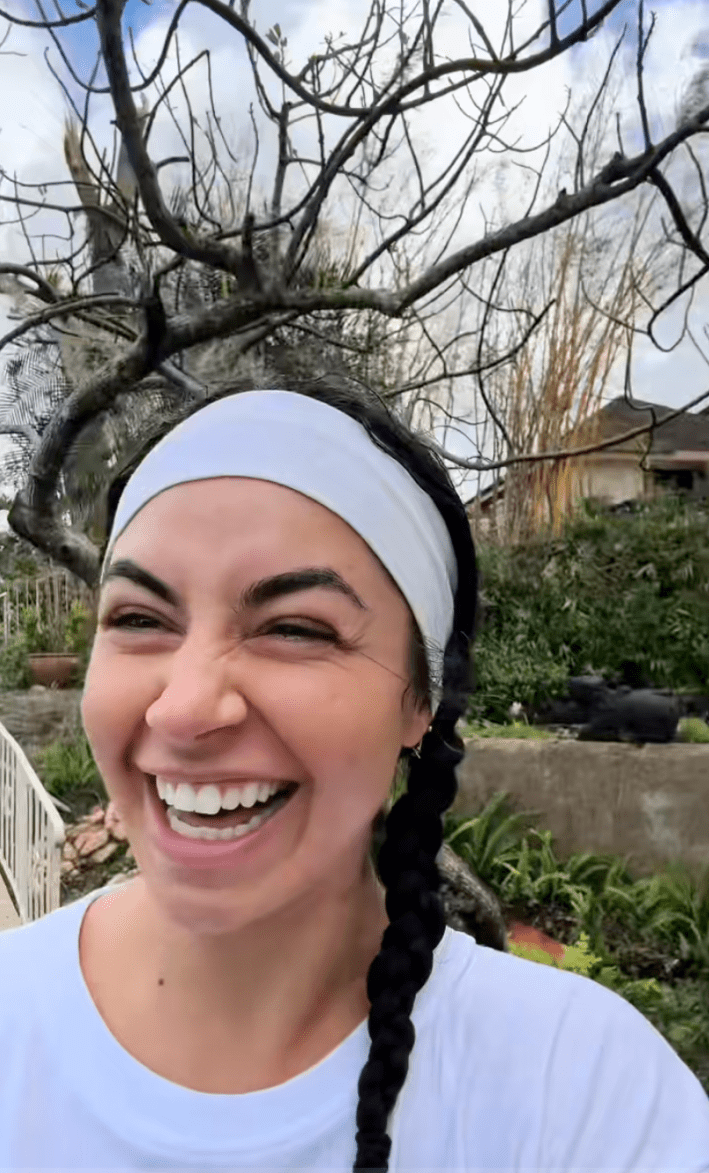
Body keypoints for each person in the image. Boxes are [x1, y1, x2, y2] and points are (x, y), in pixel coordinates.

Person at [0, 374, 708, 1172]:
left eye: (295, 628)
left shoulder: (580, 1096)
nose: (185, 708)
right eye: (138, 618)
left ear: (421, 701)